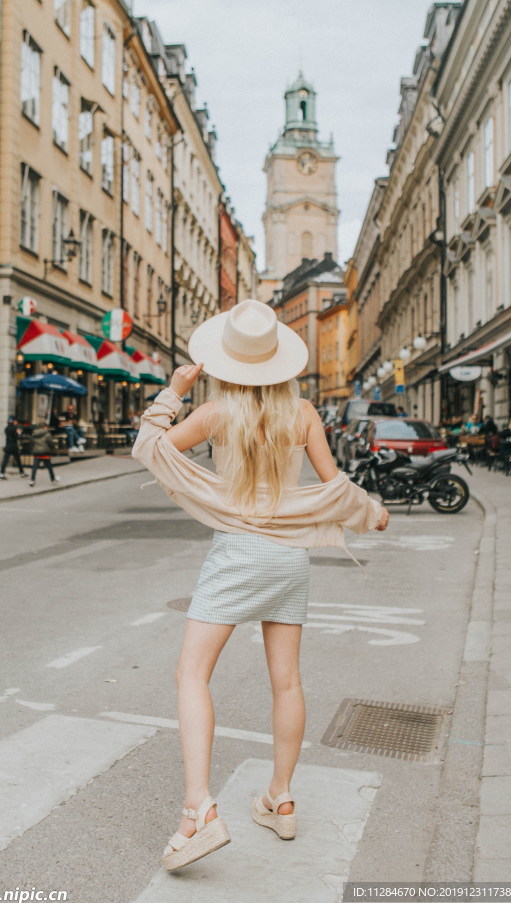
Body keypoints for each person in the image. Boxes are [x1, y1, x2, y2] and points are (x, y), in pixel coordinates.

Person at [131, 299, 389, 872]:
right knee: (287, 682)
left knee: (192, 675)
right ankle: (282, 797)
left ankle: (198, 807)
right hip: (289, 558)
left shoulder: (217, 413)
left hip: (236, 554)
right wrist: (372, 512)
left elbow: (148, 450)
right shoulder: (302, 413)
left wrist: (173, 391)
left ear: (227, 360)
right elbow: (335, 486)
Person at [29, 419, 60, 486]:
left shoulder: (34, 433)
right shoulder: (47, 434)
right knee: (49, 467)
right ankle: (53, 480)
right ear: (44, 426)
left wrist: (32, 450)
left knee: (35, 467)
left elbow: (31, 443)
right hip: (45, 452)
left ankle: (32, 480)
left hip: (37, 452)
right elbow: (50, 443)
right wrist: (52, 448)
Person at [0, 415, 27, 480]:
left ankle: (1, 474)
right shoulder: (15, 429)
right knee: (18, 461)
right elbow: (18, 437)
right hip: (14, 447)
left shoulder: (6, 428)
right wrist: (20, 434)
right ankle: (22, 473)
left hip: (8, 447)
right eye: (15, 421)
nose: (16, 422)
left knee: (5, 461)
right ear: (13, 421)